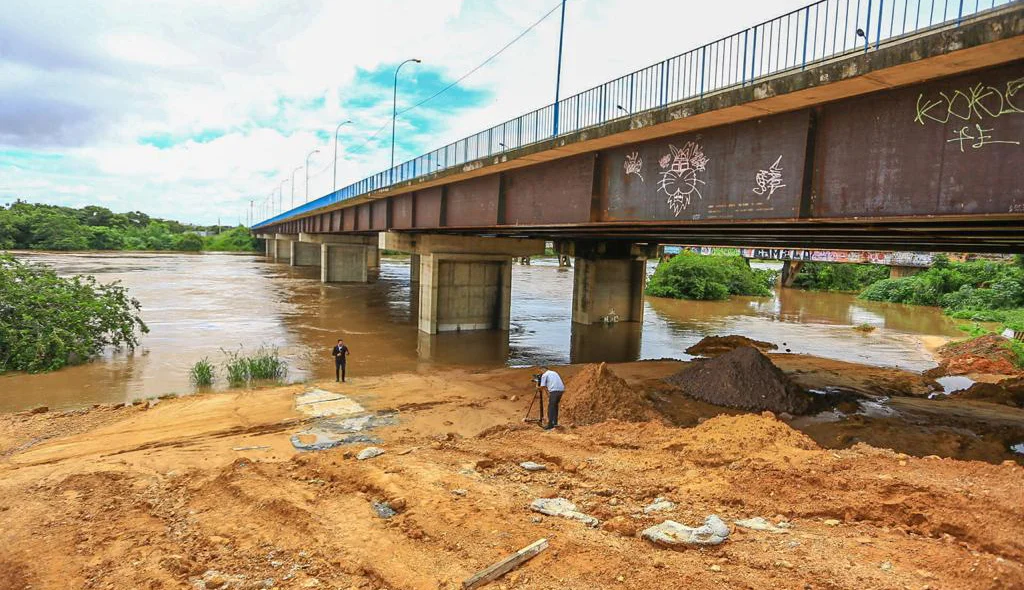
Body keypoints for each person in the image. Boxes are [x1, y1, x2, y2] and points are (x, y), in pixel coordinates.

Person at [537, 365, 565, 430]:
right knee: (555, 406)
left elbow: (542, 387)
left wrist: (537, 386)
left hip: (554, 391)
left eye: (540, 371)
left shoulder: (545, 375)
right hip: (560, 390)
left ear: (542, 369)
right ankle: (555, 423)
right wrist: (549, 394)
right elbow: (547, 386)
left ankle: (550, 425)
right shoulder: (554, 372)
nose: (541, 373)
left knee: (551, 407)